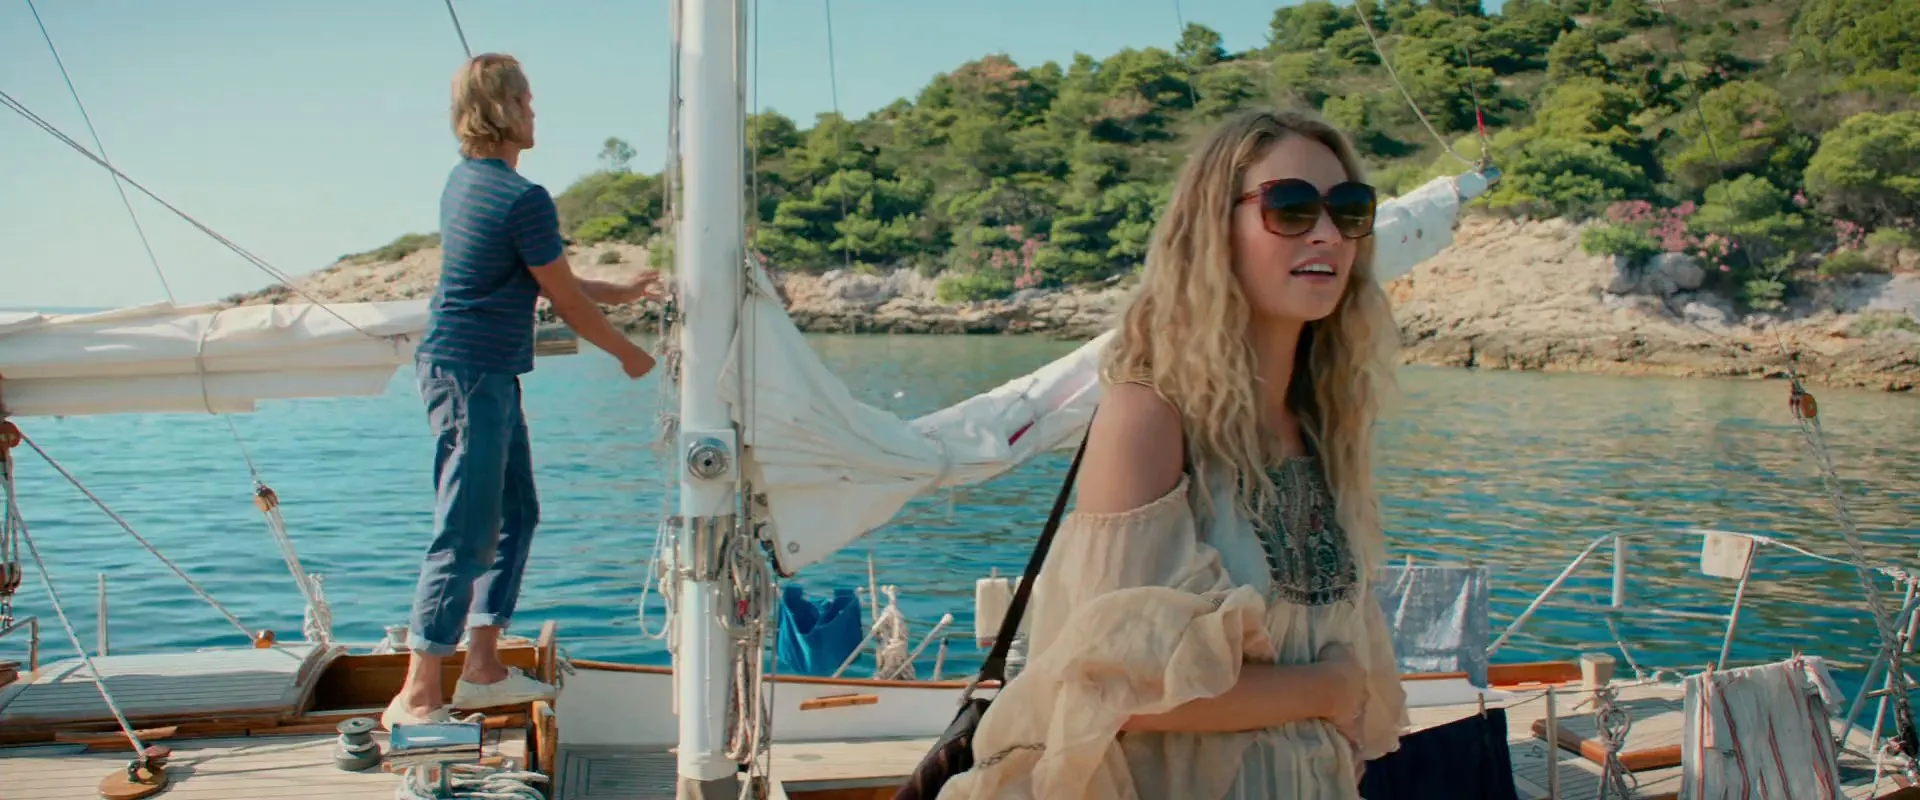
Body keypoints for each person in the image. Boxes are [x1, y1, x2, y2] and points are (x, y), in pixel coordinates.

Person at [934, 109, 1408, 799]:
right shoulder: (1149, 418)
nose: (1328, 234)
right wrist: (1329, 689)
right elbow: (1109, 690)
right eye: (1291, 207)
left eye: (1349, 209)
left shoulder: (1321, 428)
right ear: (1213, 230)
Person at [383, 52, 664, 729]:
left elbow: (551, 279)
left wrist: (622, 290)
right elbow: (564, 301)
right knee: (466, 529)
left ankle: (481, 668)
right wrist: (629, 354)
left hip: (485, 374)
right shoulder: (521, 196)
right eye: (527, 100)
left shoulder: (468, 182)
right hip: (469, 375)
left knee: (517, 515)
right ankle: (418, 694)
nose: (535, 111)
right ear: (502, 109)